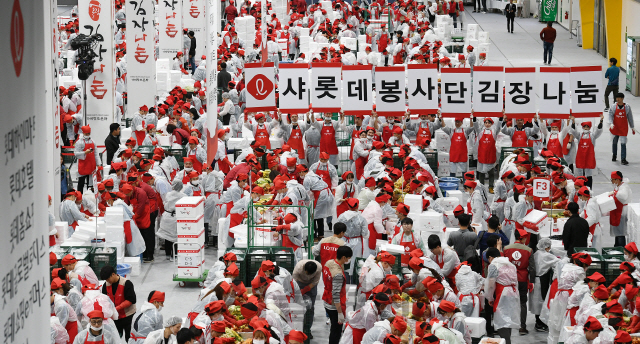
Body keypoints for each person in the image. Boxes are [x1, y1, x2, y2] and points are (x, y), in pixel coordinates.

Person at [503, 228, 535, 335]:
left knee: (507, 302)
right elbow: (532, 268)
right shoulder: (529, 250)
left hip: (509, 279)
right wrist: (532, 281)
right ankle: (522, 326)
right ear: (523, 238)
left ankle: (507, 324)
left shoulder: (506, 249)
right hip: (522, 279)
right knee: (522, 303)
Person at [484, 247, 520, 344]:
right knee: (508, 320)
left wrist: (489, 297)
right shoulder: (511, 264)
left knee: (501, 321)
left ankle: (506, 342)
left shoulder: (493, 265)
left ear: (490, 257)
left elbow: (491, 284)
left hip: (502, 294)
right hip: (514, 292)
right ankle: (508, 341)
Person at [323, 246, 353, 344]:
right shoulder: (338, 274)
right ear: (344, 257)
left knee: (333, 328)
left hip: (326, 300)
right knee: (336, 332)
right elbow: (335, 295)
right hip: (334, 306)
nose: (349, 260)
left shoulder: (329, 263)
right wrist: (340, 312)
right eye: (348, 258)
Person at [101, 265, 137, 341]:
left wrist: (116, 308)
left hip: (128, 315)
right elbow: (104, 299)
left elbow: (131, 300)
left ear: (113, 274)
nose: (107, 281)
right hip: (115, 317)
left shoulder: (126, 283)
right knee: (115, 337)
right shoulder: (106, 285)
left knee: (129, 338)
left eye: (108, 279)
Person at [292, 260, 322, 333]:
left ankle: (308, 329)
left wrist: (306, 289)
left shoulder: (319, 268)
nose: (308, 276)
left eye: (310, 274)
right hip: (299, 283)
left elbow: (315, 282)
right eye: (307, 273)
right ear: (304, 269)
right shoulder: (298, 268)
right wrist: (297, 292)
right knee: (297, 307)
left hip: (311, 285)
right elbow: (293, 282)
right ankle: (297, 328)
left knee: (310, 308)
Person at [608, 93, 635, 165]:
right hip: (615, 127)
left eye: (619, 98)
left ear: (622, 98)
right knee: (614, 142)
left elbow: (630, 117)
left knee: (623, 143)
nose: (617, 99)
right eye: (617, 98)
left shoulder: (627, 107)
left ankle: (623, 159)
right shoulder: (613, 106)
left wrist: (632, 127)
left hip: (623, 128)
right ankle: (614, 155)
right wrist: (611, 123)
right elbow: (610, 115)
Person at [74, 125, 100, 192]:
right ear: (83, 133)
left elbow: (96, 154)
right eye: (86, 134)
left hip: (91, 165)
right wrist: (84, 153)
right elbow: (76, 153)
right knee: (81, 183)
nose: (88, 135)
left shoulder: (93, 142)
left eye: (89, 133)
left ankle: (90, 196)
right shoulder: (79, 142)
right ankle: (79, 196)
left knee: (91, 184)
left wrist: (98, 164)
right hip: (83, 165)